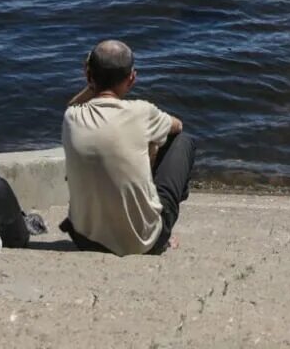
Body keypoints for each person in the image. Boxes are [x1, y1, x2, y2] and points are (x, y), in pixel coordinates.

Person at [60, 39, 194, 255]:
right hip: (144, 243)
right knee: (183, 141)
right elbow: (178, 126)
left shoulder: (71, 116)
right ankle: (163, 228)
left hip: (85, 239)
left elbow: (73, 104)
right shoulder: (142, 112)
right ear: (132, 78)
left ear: (88, 76)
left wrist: (92, 81)